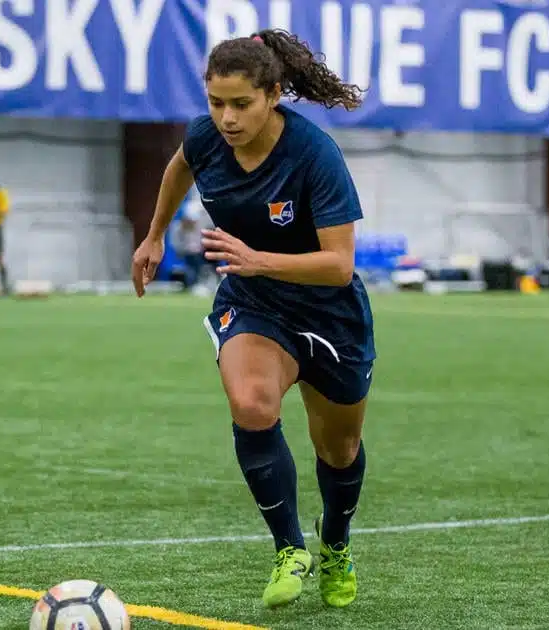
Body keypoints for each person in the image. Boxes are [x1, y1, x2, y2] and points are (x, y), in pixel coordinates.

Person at [130, 29, 373, 610]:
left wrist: (259, 258)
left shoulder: (315, 154)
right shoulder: (206, 137)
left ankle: (334, 542)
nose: (227, 117)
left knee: (338, 450)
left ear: (273, 95)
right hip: (254, 301)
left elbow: (339, 266)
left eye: (241, 104)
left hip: (328, 314)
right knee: (252, 403)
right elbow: (178, 170)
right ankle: (290, 548)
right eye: (216, 103)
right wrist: (156, 234)